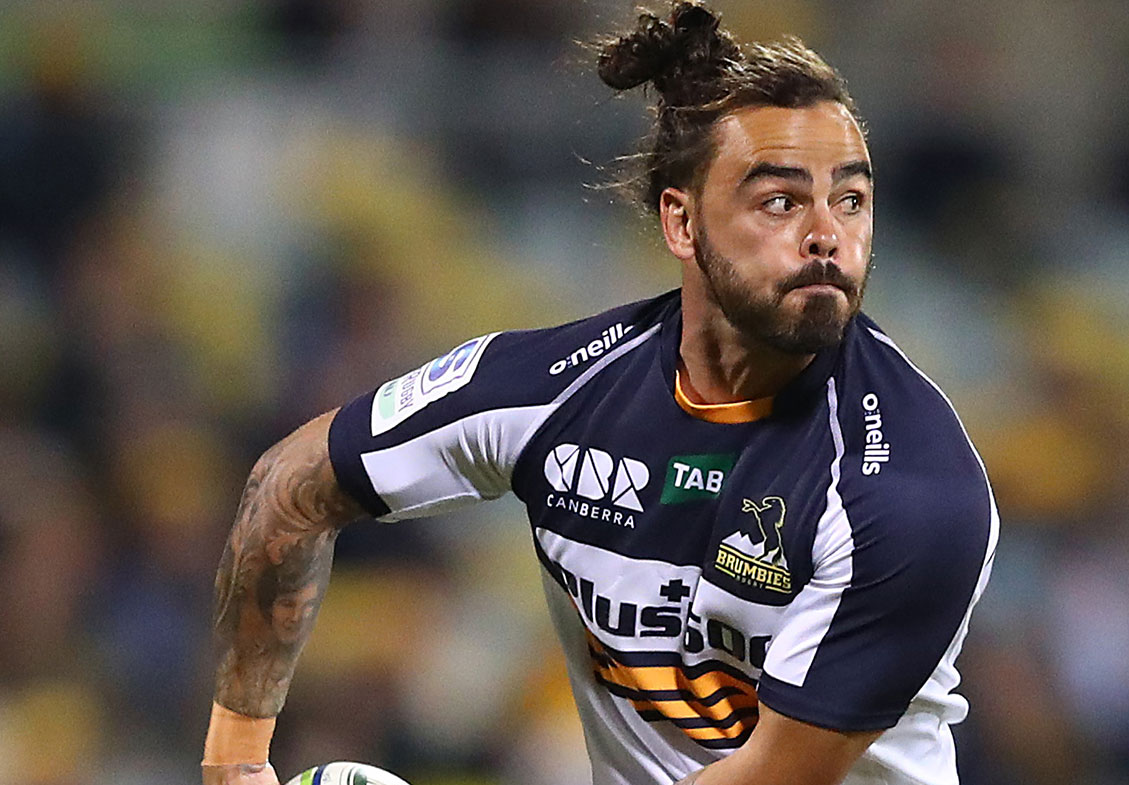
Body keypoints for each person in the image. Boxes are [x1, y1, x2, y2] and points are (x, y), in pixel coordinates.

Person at [201, 3, 998, 784]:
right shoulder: (555, 390)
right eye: (781, 200)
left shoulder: (911, 489)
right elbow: (291, 486)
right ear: (682, 225)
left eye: (851, 198)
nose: (828, 232)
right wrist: (234, 761)